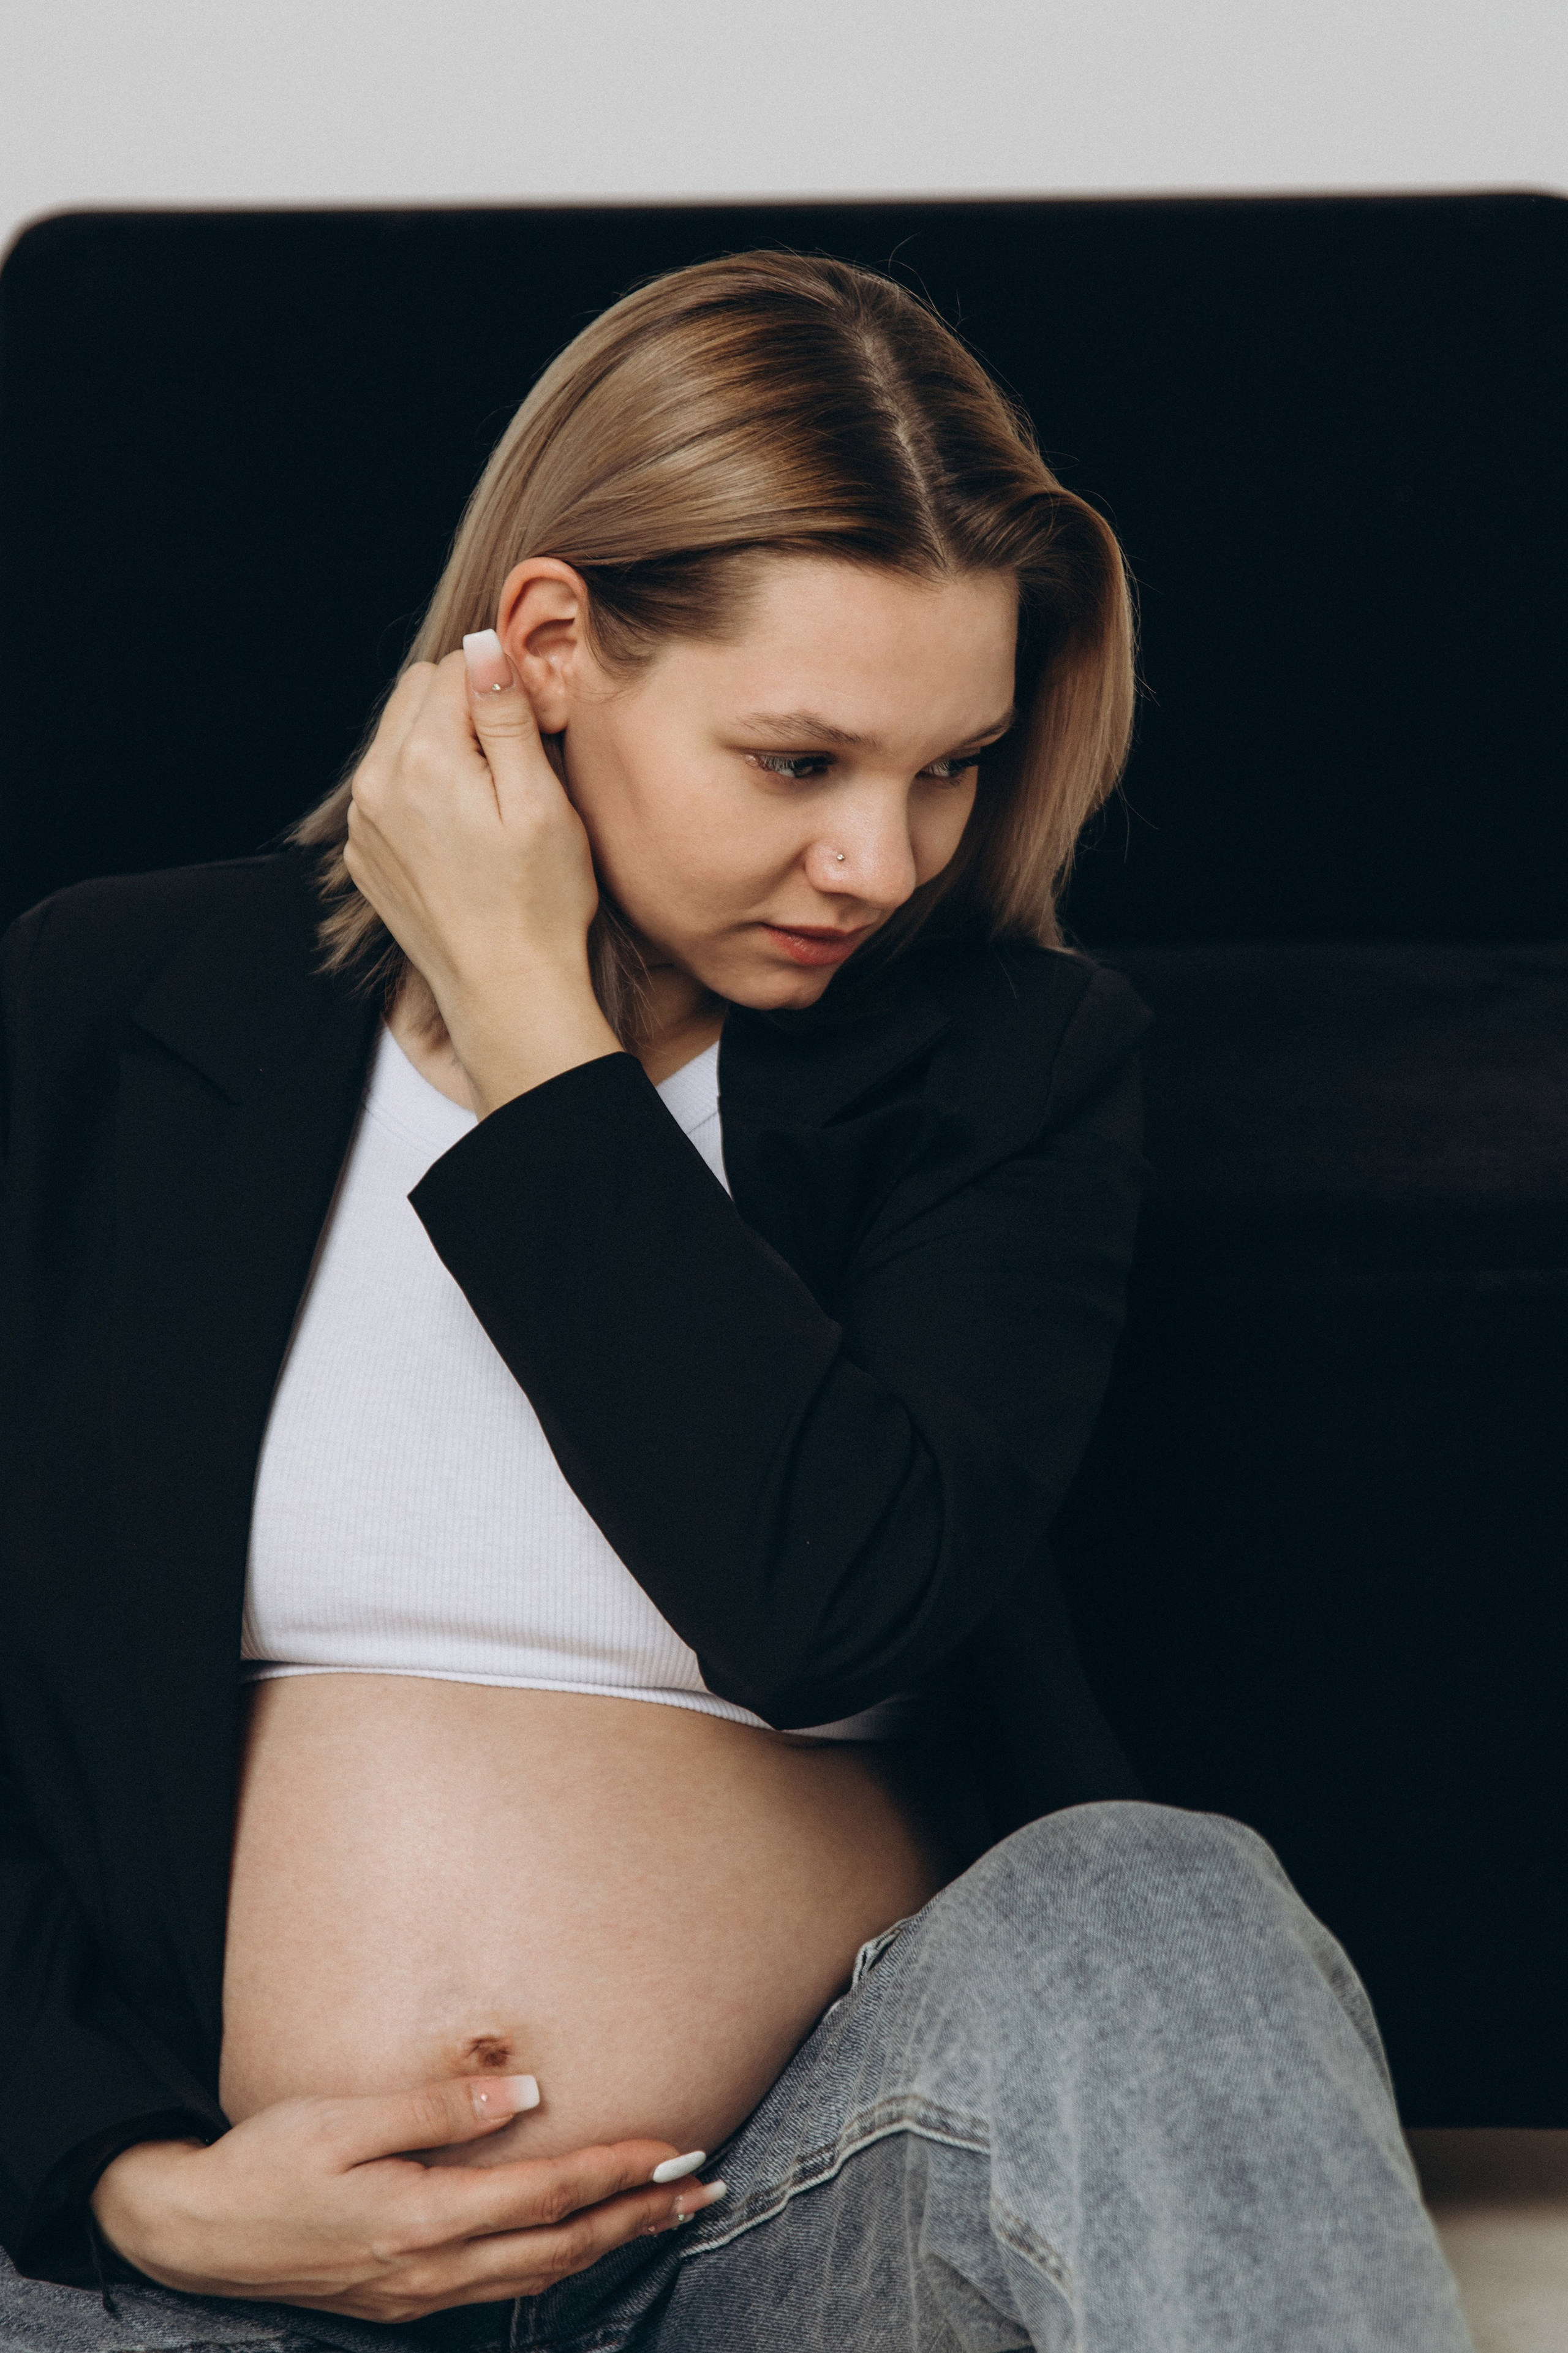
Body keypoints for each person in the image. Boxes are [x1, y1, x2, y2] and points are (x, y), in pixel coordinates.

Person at [0, 251, 1472, 2353]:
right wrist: (130, 2181)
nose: (885, 859)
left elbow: (821, 1598)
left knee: (1163, 1897)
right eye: (800, 762)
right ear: (551, 647)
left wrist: (531, 1019)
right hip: (195, 2276)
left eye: (951, 767)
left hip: (798, 2225)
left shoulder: (1011, 1070)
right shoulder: (112, 1001)